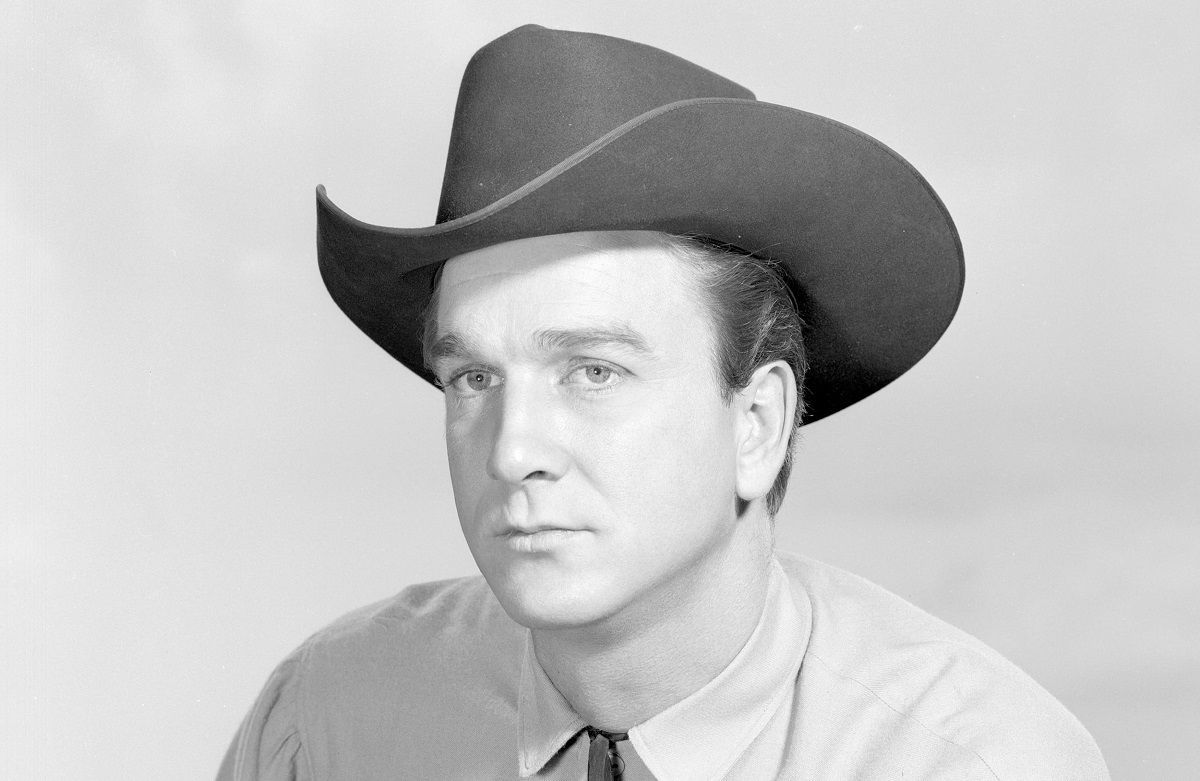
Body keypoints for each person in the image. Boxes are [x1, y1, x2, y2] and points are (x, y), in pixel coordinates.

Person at [218, 25, 1108, 780]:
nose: (512, 450)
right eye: (475, 379)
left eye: (593, 371)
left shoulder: (974, 761)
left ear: (757, 423)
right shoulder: (325, 725)